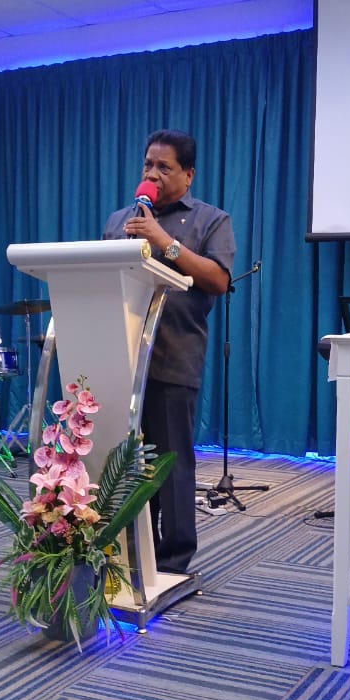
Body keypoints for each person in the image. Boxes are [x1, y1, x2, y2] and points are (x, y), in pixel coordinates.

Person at [103, 129, 236, 573]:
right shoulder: (120, 219)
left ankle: (175, 561)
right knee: (124, 461)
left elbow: (218, 280)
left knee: (170, 463)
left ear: (188, 174)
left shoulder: (210, 220)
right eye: (148, 164)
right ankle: (129, 550)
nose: (153, 173)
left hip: (173, 354)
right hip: (118, 355)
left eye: (165, 167)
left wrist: (164, 241)